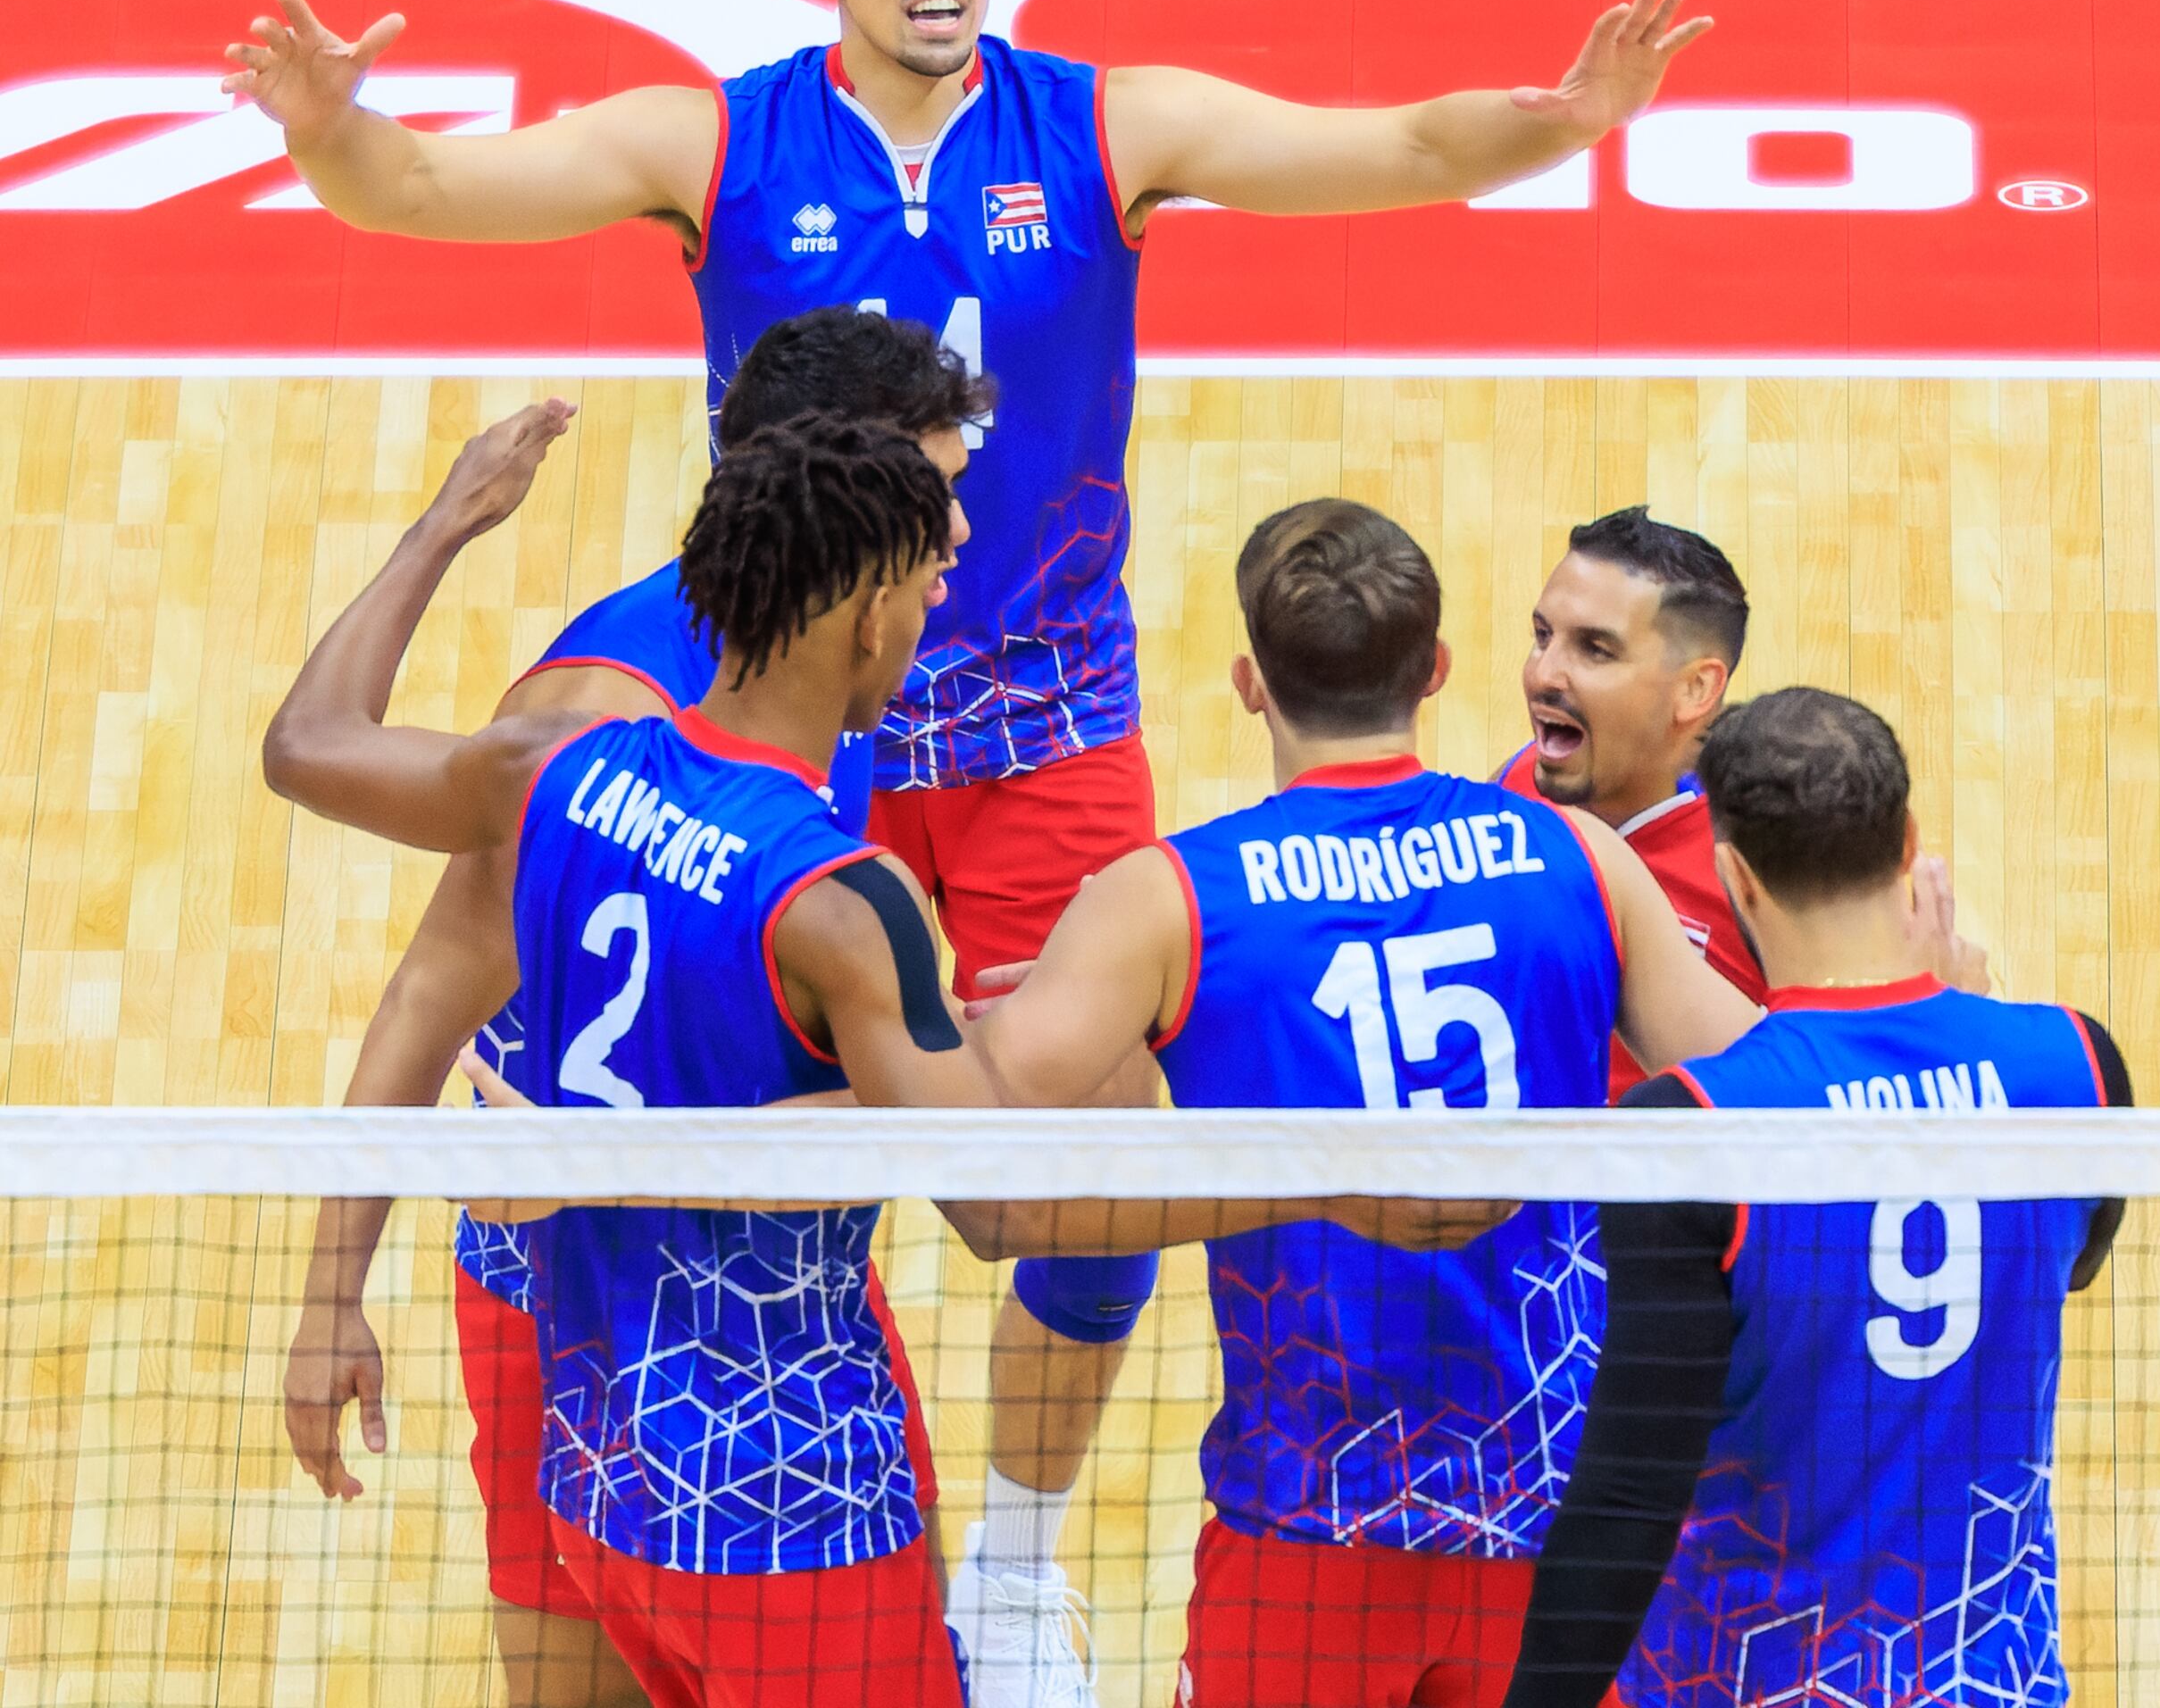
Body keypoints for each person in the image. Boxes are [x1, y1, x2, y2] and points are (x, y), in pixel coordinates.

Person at [223, 0, 1714, 1704]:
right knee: (954, 1126)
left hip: (1038, 738)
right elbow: (422, 194)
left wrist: (1564, 120)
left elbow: (1405, 144)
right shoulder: (717, 141)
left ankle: (1014, 1543)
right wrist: (335, 134)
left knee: (1066, 1154)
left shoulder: (1096, 124)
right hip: (788, 721)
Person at [265, 404, 1514, 1707]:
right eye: (925, 588)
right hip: (793, 1504)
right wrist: (1329, 1182)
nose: (932, 619)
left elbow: (311, 742)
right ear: (868, 618)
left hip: (602, 1471)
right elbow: (999, 1207)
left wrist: (450, 518)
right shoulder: (844, 902)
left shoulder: (553, 768)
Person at [277, 309, 990, 1708]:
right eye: (932, 497)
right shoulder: (603, 710)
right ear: (839, 508)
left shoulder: (794, 680)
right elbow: (433, 984)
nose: (956, 542)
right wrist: (326, 1297)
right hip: (566, 1281)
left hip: (764, 1261)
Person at [967, 500, 1763, 1708]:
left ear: (1247, 681)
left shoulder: (1172, 900)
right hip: (1551, 1513)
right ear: (1436, 672)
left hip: (1309, 1523)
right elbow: (1784, 1107)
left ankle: (1005, 1580)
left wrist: (1045, 1006)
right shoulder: (1576, 858)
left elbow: (1003, 1210)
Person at [1502, 687, 2131, 1708]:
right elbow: (2066, 1260)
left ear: (1734, 877)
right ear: (1908, 842)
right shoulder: (2075, 1062)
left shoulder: (1695, 1125)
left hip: (1744, 1680)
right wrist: (1964, 1018)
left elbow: (1628, 1492)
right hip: (1990, 1681)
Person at [1497, 506, 1986, 1095]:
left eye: (1595, 650)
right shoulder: (1522, 779)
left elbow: (1862, 1080)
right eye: (1543, 637)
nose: (1543, 674)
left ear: (1696, 688)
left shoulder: (1776, 842)